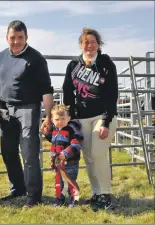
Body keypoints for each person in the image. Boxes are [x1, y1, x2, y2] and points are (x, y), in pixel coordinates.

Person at [0, 20, 54, 207]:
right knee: (8, 151)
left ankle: (33, 195)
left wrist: (48, 117)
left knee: (29, 151)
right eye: (13, 38)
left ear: (26, 37)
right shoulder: (0, 57)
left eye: (20, 38)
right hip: (5, 108)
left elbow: (46, 90)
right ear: (6, 38)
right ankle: (18, 188)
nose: (16, 41)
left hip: (28, 108)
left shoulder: (36, 59)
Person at [62, 27, 118, 211]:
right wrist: (70, 116)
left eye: (93, 42)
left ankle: (106, 194)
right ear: (81, 44)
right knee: (88, 156)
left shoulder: (106, 64)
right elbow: (67, 92)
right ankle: (96, 193)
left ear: (98, 44)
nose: (90, 45)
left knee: (97, 153)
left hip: (102, 116)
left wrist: (106, 121)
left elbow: (112, 94)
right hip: (81, 118)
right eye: (86, 41)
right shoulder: (73, 66)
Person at [42, 104, 83, 208]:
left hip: (70, 162)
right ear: (52, 119)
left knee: (71, 181)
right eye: (57, 119)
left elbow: (76, 144)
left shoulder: (72, 130)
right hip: (58, 164)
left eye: (63, 118)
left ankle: (74, 199)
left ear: (69, 118)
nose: (60, 121)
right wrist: (47, 134)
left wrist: (65, 153)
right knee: (59, 182)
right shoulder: (55, 131)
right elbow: (54, 141)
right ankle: (59, 199)